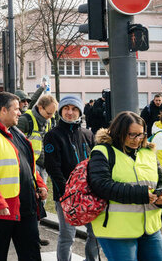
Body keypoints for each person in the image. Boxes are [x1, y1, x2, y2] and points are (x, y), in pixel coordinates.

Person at [0, 92, 48, 261]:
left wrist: (40, 185)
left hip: (26, 205)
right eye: (16, 109)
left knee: (31, 253)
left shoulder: (15, 133)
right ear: (3, 110)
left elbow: (27, 164)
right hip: (1, 208)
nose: (20, 112)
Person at [88, 111, 162, 260]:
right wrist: (141, 194)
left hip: (150, 228)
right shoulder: (102, 152)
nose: (137, 139)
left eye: (141, 134)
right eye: (131, 135)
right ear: (119, 132)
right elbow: (101, 185)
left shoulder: (148, 152)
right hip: (117, 230)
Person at [43, 96, 99, 261]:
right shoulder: (53, 135)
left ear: (80, 112)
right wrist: (67, 192)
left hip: (89, 194)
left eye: (74, 109)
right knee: (67, 236)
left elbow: (96, 164)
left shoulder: (88, 134)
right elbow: (52, 167)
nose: (70, 112)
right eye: (66, 108)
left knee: (95, 233)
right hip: (66, 196)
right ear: (60, 111)